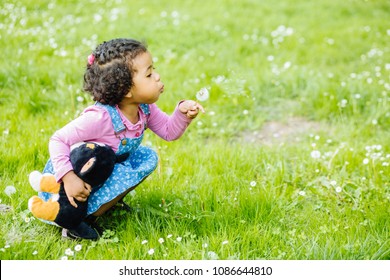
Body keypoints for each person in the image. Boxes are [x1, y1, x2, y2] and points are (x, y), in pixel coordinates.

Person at [38, 38, 204, 240]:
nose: (158, 76)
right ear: (126, 90)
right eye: (150, 74)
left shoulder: (144, 108)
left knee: (146, 157)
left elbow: (169, 132)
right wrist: (69, 178)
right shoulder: (100, 117)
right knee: (121, 167)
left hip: (107, 170)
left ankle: (103, 208)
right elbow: (58, 140)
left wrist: (183, 113)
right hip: (75, 180)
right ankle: (76, 221)